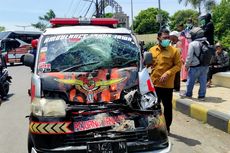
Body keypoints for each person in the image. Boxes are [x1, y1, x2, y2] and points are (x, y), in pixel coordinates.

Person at [149, 29, 181, 134]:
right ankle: (156, 126)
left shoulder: (174, 51)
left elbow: (178, 65)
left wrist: (168, 73)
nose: (167, 40)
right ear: (158, 38)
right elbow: (147, 64)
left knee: (167, 107)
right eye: (165, 38)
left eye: (168, 38)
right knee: (154, 107)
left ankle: (167, 128)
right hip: (154, 84)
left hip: (167, 85)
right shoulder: (152, 50)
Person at [183, 27, 209, 101]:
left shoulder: (193, 44)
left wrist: (186, 65)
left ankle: (188, 94)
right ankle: (201, 96)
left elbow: (189, 57)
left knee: (190, 81)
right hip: (205, 66)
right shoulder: (207, 42)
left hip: (195, 66)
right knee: (203, 81)